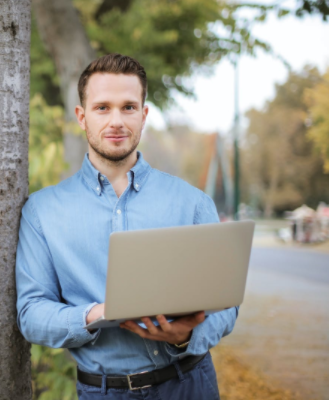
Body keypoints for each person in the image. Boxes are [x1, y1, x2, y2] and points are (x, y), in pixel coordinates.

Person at [15, 53, 238, 400]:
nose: (116, 120)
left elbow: (226, 306)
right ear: (81, 116)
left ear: (144, 115)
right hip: (103, 392)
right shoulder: (42, 212)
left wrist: (185, 336)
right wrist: (97, 314)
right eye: (102, 107)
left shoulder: (192, 202)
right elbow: (31, 314)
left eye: (128, 107)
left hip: (190, 384)